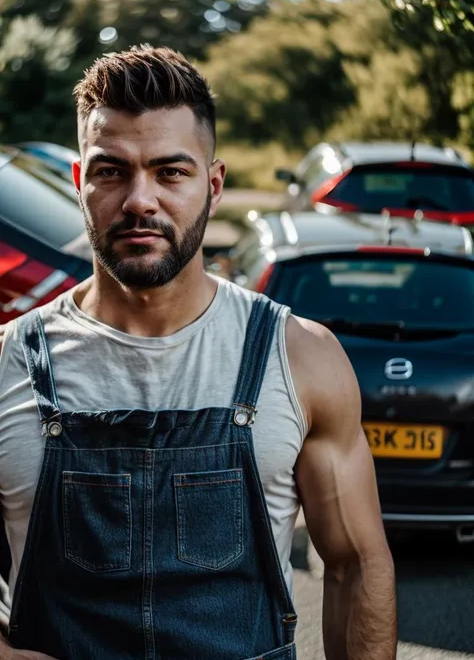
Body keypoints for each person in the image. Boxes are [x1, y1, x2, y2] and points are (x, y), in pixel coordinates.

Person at [0, 45, 396, 660]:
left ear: (212, 185)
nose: (139, 199)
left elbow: (354, 567)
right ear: (81, 183)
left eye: (170, 172)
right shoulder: (11, 363)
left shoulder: (300, 357)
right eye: (111, 171)